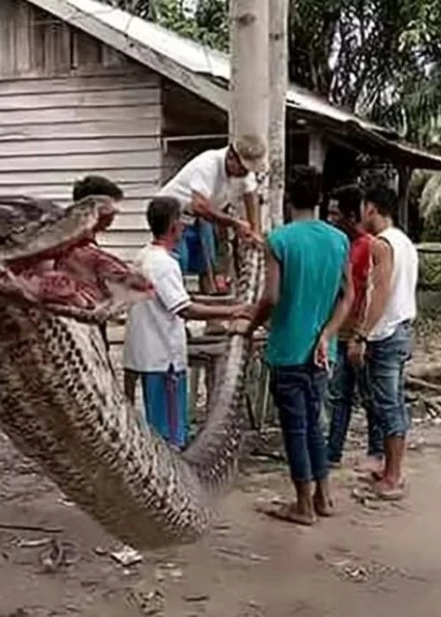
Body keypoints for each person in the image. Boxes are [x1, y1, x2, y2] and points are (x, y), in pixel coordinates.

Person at [245, 165, 352, 525]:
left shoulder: (280, 240)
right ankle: (324, 497)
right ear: (321, 199)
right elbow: (346, 297)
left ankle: (303, 505)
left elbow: (271, 297)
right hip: (322, 351)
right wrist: (327, 334)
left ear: (290, 199)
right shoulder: (339, 240)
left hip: (288, 349)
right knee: (314, 425)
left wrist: (250, 325)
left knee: (295, 427)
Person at [122, 196, 252, 447]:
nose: (184, 227)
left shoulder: (144, 256)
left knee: (157, 427)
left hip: (147, 354)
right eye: (181, 222)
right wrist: (233, 311)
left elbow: (180, 299)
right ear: (173, 226)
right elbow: (186, 310)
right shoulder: (163, 264)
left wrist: (225, 305)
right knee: (169, 435)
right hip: (163, 359)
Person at [348, 184, 419, 500]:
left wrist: (361, 334)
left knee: (389, 403)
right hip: (400, 327)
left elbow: (381, 293)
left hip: (386, 332)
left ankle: (393, 475)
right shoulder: (405, 242)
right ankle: (389, 467)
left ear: (371, 209)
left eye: (364, 208)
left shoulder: (381, 245)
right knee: (389, 400)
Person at [325, 185, 384, 471]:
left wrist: (361, 333)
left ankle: (376, 450)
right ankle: (333, 451)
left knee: (368, 394)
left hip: (359, 332)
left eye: (336, 214)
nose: (331, 219)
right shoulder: (338, 244)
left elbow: (370, 293)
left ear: (350, 216)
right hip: (339, 329)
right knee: (340, 395)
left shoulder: (368, 246)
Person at [158, 135, 265, 292]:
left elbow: (251, 196)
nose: (245, 173)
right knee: (179, 261)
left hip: (201, 217)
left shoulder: (244, 173)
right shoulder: (208, 164)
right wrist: (235, 223)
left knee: (208, 262)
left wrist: (255, 231)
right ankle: (176, 305)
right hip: (172, 214)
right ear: (231, 158)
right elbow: (199, 205)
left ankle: (208, 302)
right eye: (243, 168)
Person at [71, 174, 125, 351]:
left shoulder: (87, 241)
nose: (116, 213)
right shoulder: (72, 245)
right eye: (111, 207)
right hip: (79, 331)